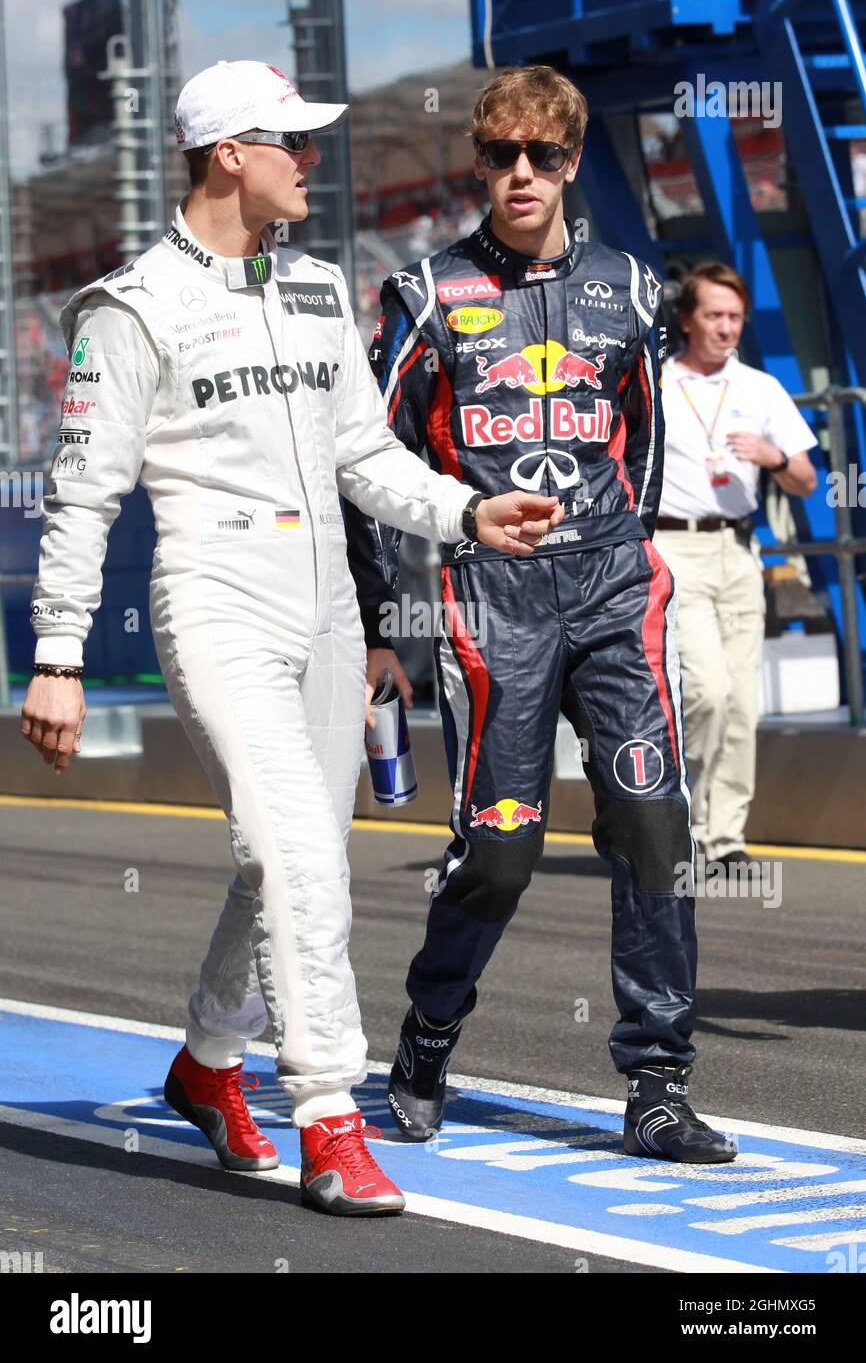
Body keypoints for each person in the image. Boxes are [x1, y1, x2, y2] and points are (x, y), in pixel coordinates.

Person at [20, 60, 561, 1217]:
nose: (313, 159)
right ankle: (327, 1115)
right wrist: (57, 655)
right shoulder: (131, 306)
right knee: (302, 863)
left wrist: (466, 512)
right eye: (293, 142)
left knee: (290, 856)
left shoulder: (316, 287)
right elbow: (81, 494)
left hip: (326, 619)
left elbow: (362, 454)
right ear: (229, 154)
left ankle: (207, 1064)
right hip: (217, 605)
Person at [345, 64, 736, 1164]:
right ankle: (428, 1032)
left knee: (654, 825)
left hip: (612, 586)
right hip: (493, 597)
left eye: (544, 155)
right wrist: (384, 623)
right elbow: (369, 465)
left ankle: (656, 1082)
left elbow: (644, 444)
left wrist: (629, 552)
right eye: (501, 155)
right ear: (479, 162)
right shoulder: (425, 295)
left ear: (569, 161)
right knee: (501, 849)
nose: (521, 174)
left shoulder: (631, 286)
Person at [654, 262, 817, 871]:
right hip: (676, 549)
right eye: (714, 316)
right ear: (687, 319)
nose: (726, 328)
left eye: (735, 317)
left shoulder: (760, 387)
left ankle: (724, 838)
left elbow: (806, 480)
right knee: (708, 692)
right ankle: (683, 819)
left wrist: (773, 457)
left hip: (739, 551)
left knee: (744, 703)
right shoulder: (658, 382)